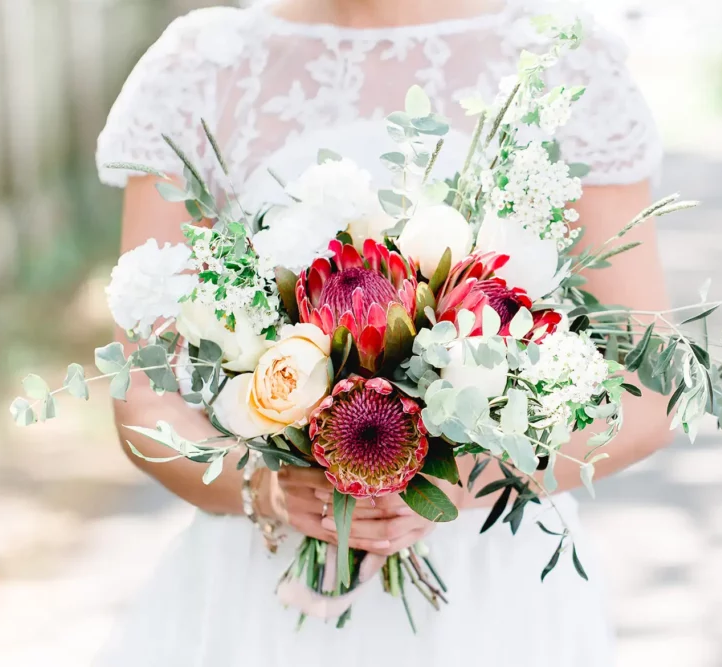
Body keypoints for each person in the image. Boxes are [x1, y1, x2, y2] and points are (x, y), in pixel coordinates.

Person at [94, 1, 672, 664]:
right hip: (263, 588)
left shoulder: (566, 64)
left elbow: (646, 393)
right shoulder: (202, 67)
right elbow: (145, 389)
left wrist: (461, 483)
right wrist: (263, 489)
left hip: (489, 587)